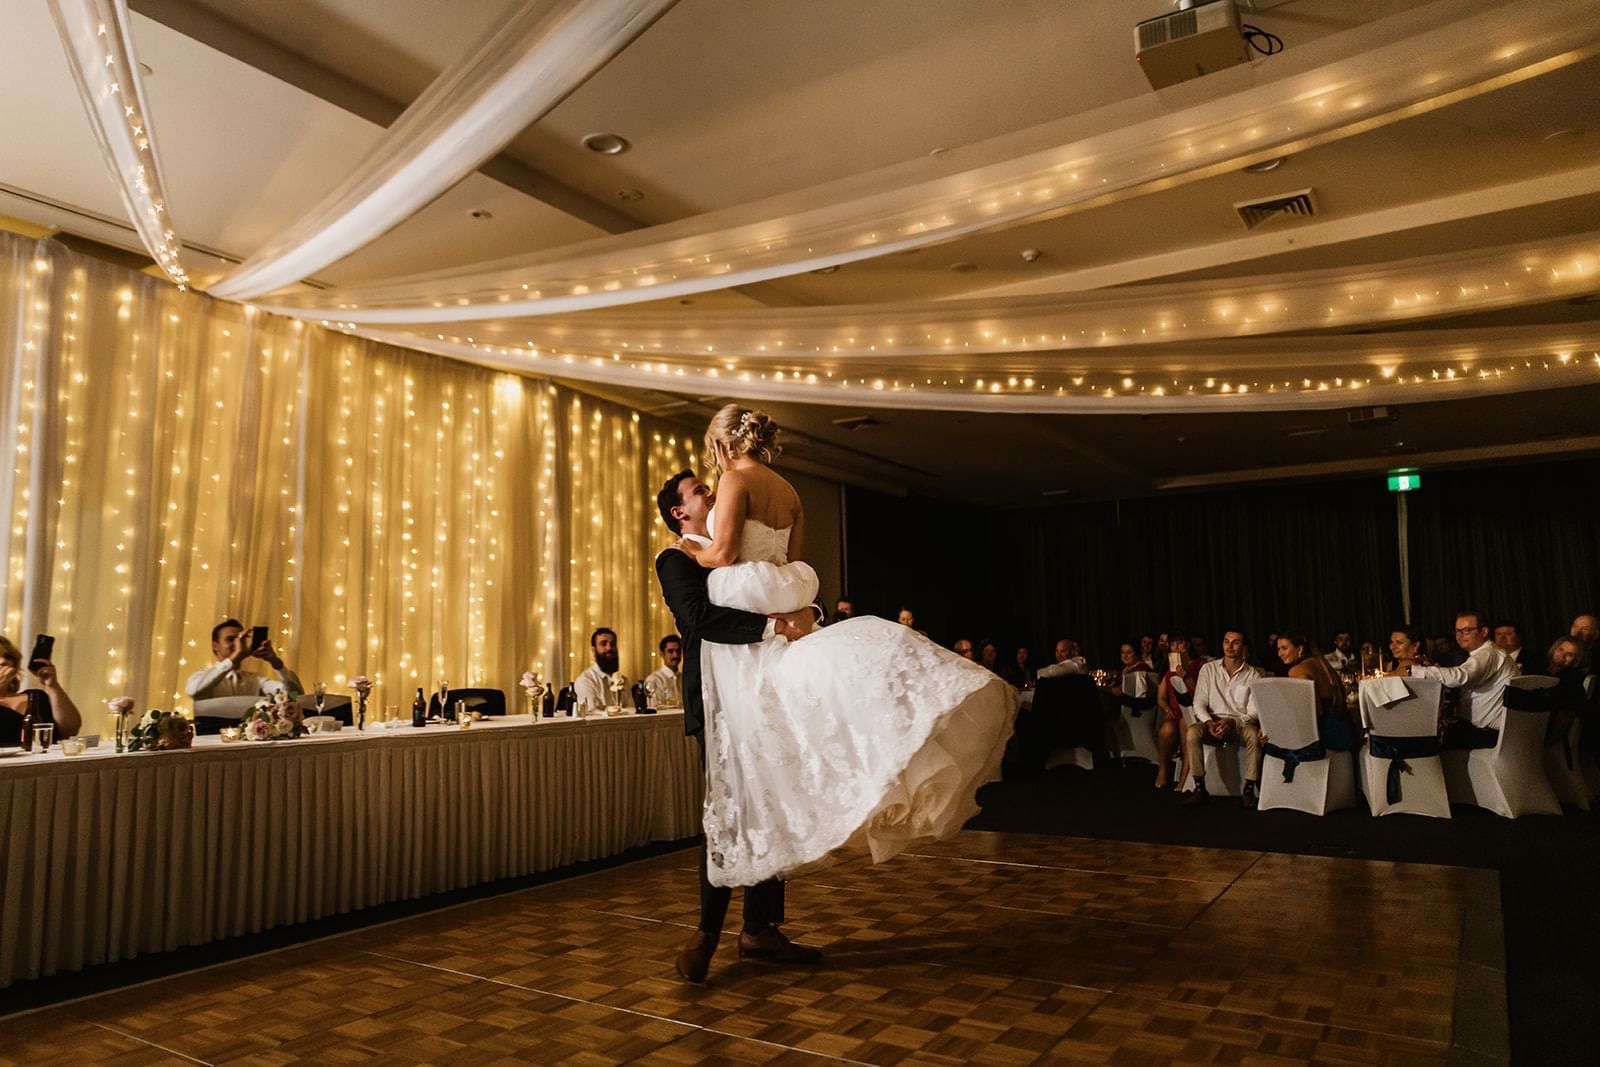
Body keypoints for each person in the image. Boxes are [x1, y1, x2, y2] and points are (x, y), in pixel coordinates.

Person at [668, 404, 1016, 895]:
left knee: (756, 782)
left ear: (724, 446)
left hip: (749, 657)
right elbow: (793, 563)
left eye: (714, 454)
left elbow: (723, 554)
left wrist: (691, 551)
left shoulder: (734, 481)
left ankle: (751, 910)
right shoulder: (789, 491)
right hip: (787, 620)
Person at [654, 468, 822, 982]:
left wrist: (802, 612)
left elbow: (774, 587)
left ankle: (760, 927)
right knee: (726, 810)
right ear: (680, 513)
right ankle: (707, 931)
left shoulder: (735, 551)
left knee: (772, 803)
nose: (711, 492)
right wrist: (773, 625)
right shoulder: (676, 558)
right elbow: (699, 618)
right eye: (699, 492)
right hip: (719, 700)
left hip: (767, 690)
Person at [1183, 630, 1267, 807]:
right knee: (1192, 732)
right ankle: (1200, 787)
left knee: (1253, 735)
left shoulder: (1253, 675)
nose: (1229, 646)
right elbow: (1198, 702)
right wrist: (1209, 722)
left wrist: (1232, 722)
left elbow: (1253, 712)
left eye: (1235, 642)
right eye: (1226, 641)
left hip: (1239, 723)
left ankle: (1249, 789)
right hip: (1212, 720)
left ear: (1244, 647)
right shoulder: (1209, 669)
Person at [1410, 611, 1516, 749]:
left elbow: (1460, 676)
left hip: (1488, 733)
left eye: (1466, 631)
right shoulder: (1483, 653)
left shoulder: (1488, 653)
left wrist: (1411, 671)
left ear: (1483, 631)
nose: (1460, 636)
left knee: (1420, 738)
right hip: (1480, 729)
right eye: (1457, 631)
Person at [184, 619, 303, 732]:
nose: (238, 644)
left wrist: (276, 663)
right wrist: (233, 659)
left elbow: (295, 694)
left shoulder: (255, 680)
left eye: (241, 639)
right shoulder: (202, 677)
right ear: (215, 646)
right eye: (231, 639)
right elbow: (193, 690)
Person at [1272, 631, 1355, 752]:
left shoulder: (1297, 670)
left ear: (1299, 649)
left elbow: (1310, 713)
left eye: (1284, 648)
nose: (1280, 654)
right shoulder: (1323, 664)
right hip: (1345, 730)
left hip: (1327, 736)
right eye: (1278, 649)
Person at [0, 635, 82, 746]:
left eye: (7, 656)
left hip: (48, 761)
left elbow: (70, 730)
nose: (4, 661)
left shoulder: (36, 696)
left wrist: (52, 685)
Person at [1155, 635, 1202, 790]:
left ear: (1187, 644)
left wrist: (1186, 677)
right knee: (1167, 730)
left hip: (1192, 710)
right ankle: (1163, 768)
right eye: (1173, 644)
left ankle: (1185, 774)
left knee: (1185, 724)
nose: (1176, 647)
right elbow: (1161, 697)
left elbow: (1201, 694)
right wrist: (1167, 709)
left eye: (1179, 643)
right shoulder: (1169, 672)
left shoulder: (1199, 665)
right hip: (1175, 711)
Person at [574, 627, 620, 709]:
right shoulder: (585, 681)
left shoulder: (624, 681)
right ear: (593, 650)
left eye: (612, 644)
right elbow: (593, 714)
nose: (609, 648)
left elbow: (632, 711)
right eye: (603, 644)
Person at [645, 634, 683, 708]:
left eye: (678, 651)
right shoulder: (654, 680)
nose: (676, 655)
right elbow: (654, 708)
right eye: (670, 651)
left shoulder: (684, 678)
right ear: (662, 654)